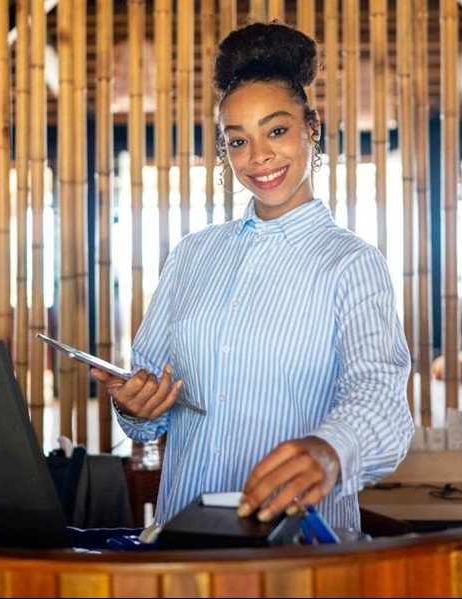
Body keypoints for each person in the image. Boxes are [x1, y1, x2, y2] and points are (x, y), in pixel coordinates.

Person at [91, 20, 413, 533]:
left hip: (298, 548)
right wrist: (137, 408)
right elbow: (151, 399)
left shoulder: (351, 263)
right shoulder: (192, 256)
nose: (258, 156)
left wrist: (330, 450)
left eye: (276, 131)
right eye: (237, 140)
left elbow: (379, 396)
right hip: (185, 540)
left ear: (312, 127)